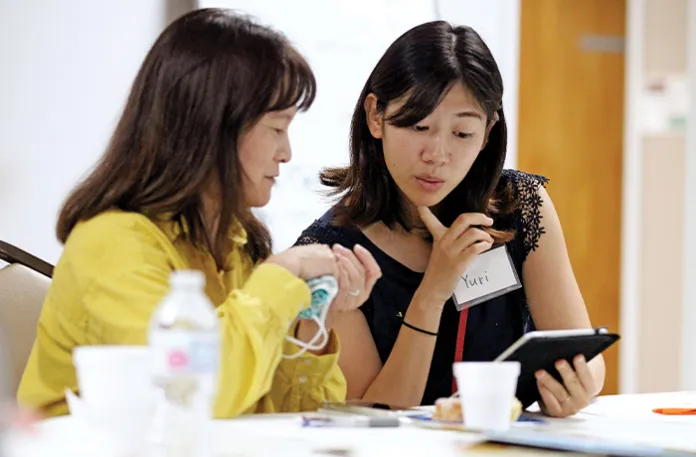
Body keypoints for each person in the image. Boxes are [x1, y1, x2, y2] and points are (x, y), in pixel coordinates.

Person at [17, 8, 380, 419]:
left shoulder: (239, 242)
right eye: (277, 128)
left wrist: (314, 322)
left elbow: (285, 415)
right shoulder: (112, 242)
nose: (287, 153)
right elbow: (191, 397)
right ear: (214, 129)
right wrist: (283, 272)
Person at [295, 20, 604, 418]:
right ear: (376, 116)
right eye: (419, 126)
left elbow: (583, 354)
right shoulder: (330, 251)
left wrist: (578, 385)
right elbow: (375, 413)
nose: (437, 154)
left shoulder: (520, 204)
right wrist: (433, 291)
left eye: (462, 134)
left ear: (488, 131)